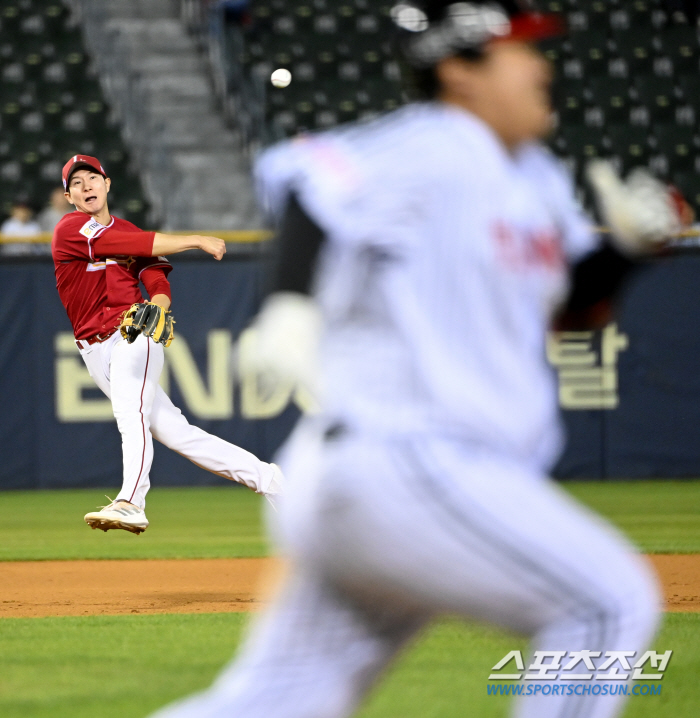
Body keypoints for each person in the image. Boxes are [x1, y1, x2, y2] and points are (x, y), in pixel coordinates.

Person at [150, 2, 676, 716]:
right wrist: (291, 308)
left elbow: (569, 311)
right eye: (522, 52)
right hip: (407, 458)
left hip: (390, 479)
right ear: (460, 71)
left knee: (278, 700)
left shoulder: (537, 180)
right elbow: (309, 183)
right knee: (606, 605)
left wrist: (624, 253)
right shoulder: (433, 145)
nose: (543, 67)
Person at [53, 154, 282, 534]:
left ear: (107, 185)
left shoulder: (129, 230)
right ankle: (272, 481)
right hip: (94, 350)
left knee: (131, 416)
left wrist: (157, 305)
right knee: (178, 433)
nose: (86, 186)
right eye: (77, 183)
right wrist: (196, 238)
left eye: (92, 178)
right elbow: (139, 244)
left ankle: (131, 501)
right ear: (69, 196)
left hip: (131, 335)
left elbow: (156, 277)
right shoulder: (71, 229)